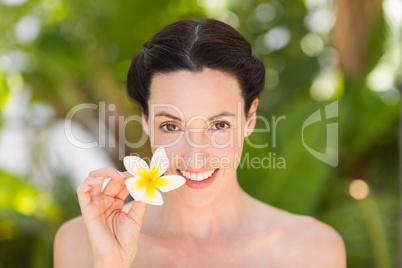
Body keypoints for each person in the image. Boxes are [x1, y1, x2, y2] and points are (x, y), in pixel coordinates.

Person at [54, 18, 346, 267]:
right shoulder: (82, 243)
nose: (195, 158)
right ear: (145, 121)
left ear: (250, 118)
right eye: (171, 126)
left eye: (219, 125)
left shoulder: (312, 250)